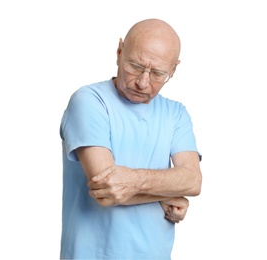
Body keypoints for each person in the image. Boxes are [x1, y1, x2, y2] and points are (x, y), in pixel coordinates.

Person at [59, 18, 202, 259]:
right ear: (119, 52)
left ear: (174, 69)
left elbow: (193, 181)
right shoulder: (89, 101)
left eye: (158, 73)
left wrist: (133, 182)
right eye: (135, 66)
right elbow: (106, 188)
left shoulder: (177, 114)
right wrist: (167, 194)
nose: (143, 82)